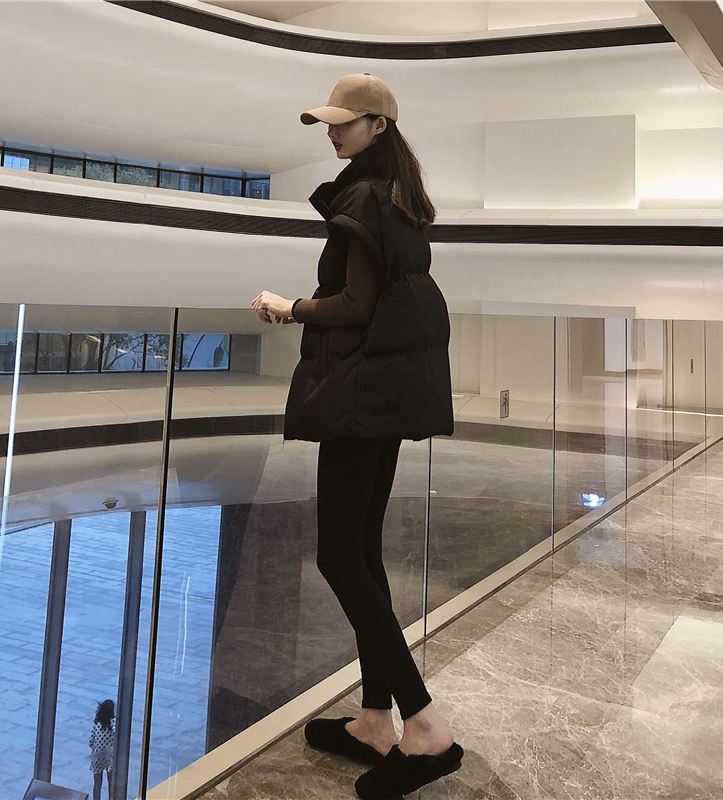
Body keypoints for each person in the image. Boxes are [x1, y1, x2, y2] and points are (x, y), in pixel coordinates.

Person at [251, 73, 462, 799]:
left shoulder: (365, 198)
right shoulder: (400, 197)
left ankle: (424, 724)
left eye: (345, 122)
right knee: (362, 553)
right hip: (388, 395)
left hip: (362, 394)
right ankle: (375, 719)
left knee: (340, 556)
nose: (333, 132)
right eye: (329, 123)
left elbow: (355, 304)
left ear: (379, 126)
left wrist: (288, 306)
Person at [87, 699, 116, 800]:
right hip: (109, 756)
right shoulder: (113, 723)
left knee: (97, 783)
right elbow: (116, 735)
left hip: (97, 757)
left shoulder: (97, 723)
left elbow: (91, 741)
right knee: (111, 782)